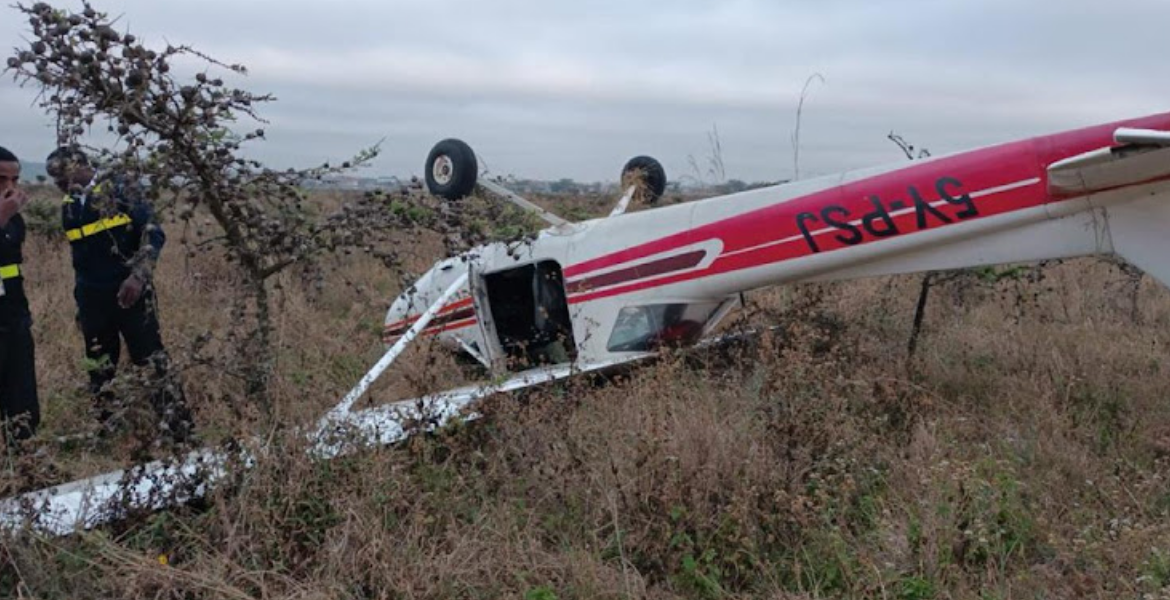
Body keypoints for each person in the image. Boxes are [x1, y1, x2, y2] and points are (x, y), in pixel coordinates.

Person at [46, 146, 193, 444]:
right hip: (92, 299)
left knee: (150, 359)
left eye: (62, 175)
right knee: (99, 364)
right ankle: (107, 429)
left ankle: (180, 431)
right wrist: (81, 303)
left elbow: (153, 233)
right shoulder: (70, 203)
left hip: (131, 294)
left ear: (82, 165)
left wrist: (139, 276)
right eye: (54, 179)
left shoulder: (122, 189)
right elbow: (81, 256)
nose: (58, 183)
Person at [0, 146, 40, 445]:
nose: (10, 188)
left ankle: (26, 456)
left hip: (12, 313)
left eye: (15, 180)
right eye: (1, 180)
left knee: (21, 390)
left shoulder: (15, 219)